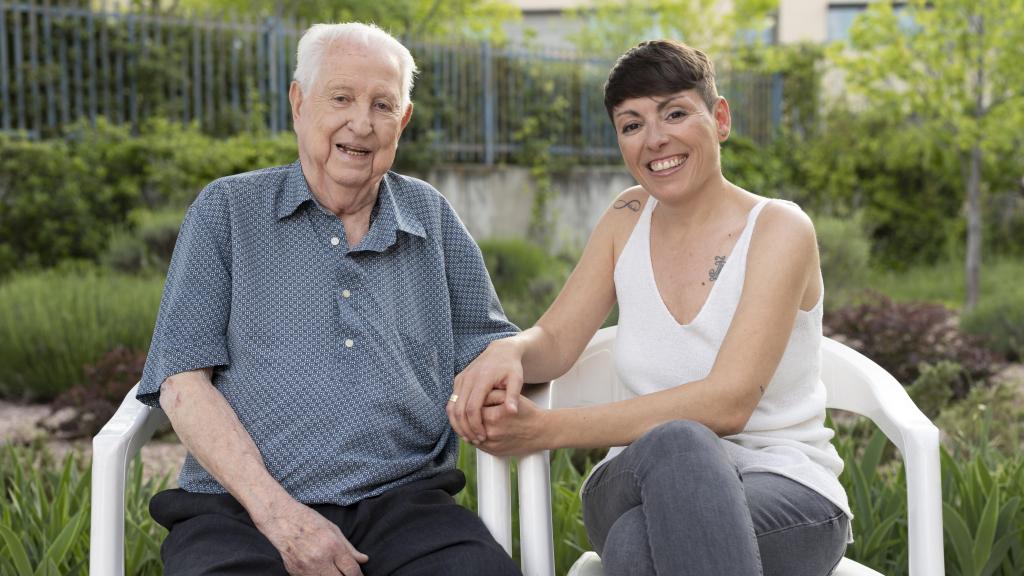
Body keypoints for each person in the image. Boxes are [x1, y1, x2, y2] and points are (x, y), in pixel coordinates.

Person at [447, 40, 852, 576]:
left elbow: (728, 404)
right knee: (676, 445)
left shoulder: (780, 230)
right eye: (631, 124)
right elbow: (557, 341)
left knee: (640, 544)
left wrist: (545, 430)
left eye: (675, 113)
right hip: (632, 481)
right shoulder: (626, 217)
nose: (655, 139)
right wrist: (511, 348)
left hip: (785, 491)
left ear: (720, 117)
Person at [136, 22, 522, 576]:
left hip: (406, 505)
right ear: (299, 103)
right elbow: (181, 381)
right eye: (340, 98)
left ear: (402, 121)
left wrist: (508, 349)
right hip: (239, 509)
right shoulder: (227, 211)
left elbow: (487, 342)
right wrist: (280, 516)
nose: (361, 123)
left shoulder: (429, 217)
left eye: (382, 105)